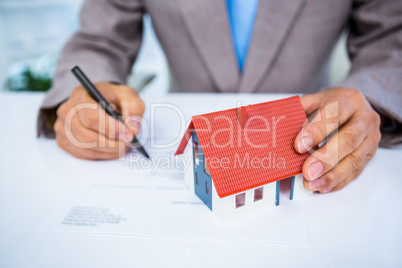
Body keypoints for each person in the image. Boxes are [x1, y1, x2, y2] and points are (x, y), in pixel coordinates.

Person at [37, 0, 402, 194]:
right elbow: (99, 39)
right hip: (181, 135)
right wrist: (88, 96)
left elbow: (390, 36)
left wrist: (369, 100)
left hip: (307, 137)